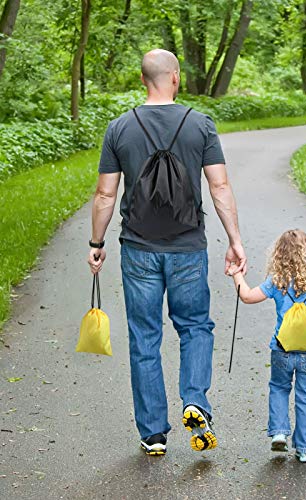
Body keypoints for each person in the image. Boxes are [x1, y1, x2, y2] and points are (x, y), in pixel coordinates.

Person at [87, 49, 246, 456]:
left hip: (138, 247)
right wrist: (235, 240)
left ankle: (154, 433)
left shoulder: (120, 128)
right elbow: (220, 187)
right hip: (188, 246)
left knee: (145, 337)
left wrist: (97, 243)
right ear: (174, 77)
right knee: (194, 327)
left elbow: (106, 193)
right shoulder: (200, 125)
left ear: (144, 80)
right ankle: (194, 398)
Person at [228, 229, 306, 463]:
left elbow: (246, 296)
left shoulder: (277, 282)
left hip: (281, 350)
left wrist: (236, 274)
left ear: (279, 256)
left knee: (279, 388)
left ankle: (278, 432)